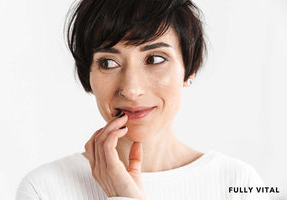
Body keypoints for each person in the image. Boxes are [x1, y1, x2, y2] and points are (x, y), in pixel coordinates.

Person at [16, 0, 270, 199]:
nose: (132, 89)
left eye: (155, 59)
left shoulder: (238, 183)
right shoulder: (44, 189)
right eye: (108, 62)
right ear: (88, 76)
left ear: (188, 70)